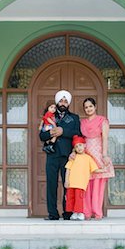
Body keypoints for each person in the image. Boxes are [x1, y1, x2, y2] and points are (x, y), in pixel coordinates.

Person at [39, 90, 81, 220]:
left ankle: (67, 213)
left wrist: (63, 131)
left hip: (68, 156)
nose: (63, 103)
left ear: (68, 103)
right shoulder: (49, 116)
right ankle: (53, 214)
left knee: (67, 184)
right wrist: (52, 133)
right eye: (61, 101)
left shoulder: (74, 117)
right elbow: (41, 135)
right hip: (51, 154)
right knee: (51, 184)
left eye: (66, 101)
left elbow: (77, 133)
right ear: (57, 102)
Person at [81, 97, 115, 220]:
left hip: (98, 153)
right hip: (86, 154)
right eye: (86, 107)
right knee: (87, 184)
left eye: (90, 106)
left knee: (98, 185)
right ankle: (87, 212)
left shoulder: (102, 120)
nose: (88, 109)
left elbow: (105, 138)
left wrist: (104, 155)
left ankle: (97, 212)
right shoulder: (82, 123)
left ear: (95, 107)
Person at [64, 135, 99, 221]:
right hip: (71, 183)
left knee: (79, 199)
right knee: (71, 198)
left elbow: (95, 169)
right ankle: (74, 213)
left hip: (81, 183)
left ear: (84, 145)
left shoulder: (88, 158)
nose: (79, 148)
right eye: (76, 146)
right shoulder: (73, 157)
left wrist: (104, 170)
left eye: (80, 145)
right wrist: (66, 180)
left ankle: (80, 213)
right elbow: (68, 169)